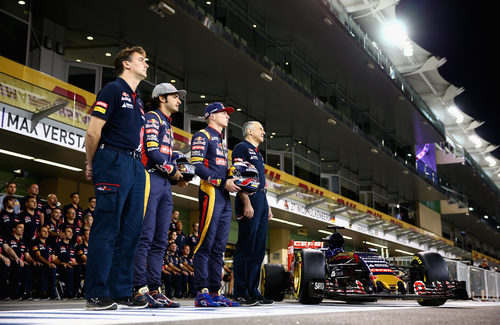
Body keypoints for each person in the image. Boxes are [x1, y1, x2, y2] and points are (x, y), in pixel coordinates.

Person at [84, 46, 149, 310]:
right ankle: (96, 293)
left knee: (131, 232)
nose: (146, 64)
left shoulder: (139, 100)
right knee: (107, 229)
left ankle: (121, 291)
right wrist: (91, 164)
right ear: (126, 64)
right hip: (112, 160)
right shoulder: (112, 90)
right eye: (141, 60)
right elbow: (92, 132)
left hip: (135, 165)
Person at [132, 82, 187, 308]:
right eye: (175, 96)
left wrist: (180, 173)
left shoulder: (168, 123)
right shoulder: (153, 117)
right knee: (146, 236)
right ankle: (138, 288)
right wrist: (173, 170)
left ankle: (155, 288)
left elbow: (165, 155)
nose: (179, 100)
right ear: (161, 98)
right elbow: (152, 151)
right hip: (150, 178)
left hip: (164, 183)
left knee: (161, 240)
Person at [190, 102, 241, 307]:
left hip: (223, 195)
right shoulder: (202, 135)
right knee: (205, 244)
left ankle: (214, 291)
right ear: (211, 116)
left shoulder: (221, 141)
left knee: (219, 247)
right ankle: (202, 292)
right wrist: (221, 181)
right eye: (223, 113)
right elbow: (197, 165)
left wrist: (234, 174)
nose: (227, 116)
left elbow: (221, 169)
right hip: (210, 192)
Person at [232, 121, 273, 305]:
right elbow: (238, 177)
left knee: (258, 250)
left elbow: (261, 182)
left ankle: (253, 290)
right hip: (249, 199)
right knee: (246, 247)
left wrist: (267, 205)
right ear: (249, 131)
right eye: (260, 129)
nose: (264, 132)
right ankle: (240, 291)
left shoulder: (258, 153)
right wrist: (246, 202)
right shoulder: (241, 148)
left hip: (262, 200)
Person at [5, 223, 33, 300]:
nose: (22, 229)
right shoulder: (8, 239)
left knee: (28, 266)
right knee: (18, 266)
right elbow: (7, 251)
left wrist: (33, 262)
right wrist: (17, 259)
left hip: (21, 262)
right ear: (14, 229)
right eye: (20, 227)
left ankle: (26, 292)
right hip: (10, 261)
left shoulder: (23, 242)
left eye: (23, 228)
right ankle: (14, 293)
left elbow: (27, 256)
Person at [31, 226, 57, 299]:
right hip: (37, 264)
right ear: (38, 233)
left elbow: (53, 257)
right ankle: (43, 293)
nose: (46, 233)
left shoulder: (49, 245)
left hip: (47, 264)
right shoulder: (35, 243)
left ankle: (52, 293)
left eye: (47, 231)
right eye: (44, 231)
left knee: (52, 268)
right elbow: (38, 256)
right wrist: (48, 263)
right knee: (43, 268)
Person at [52, 226, 77, 299]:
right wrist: (62, 263)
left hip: (70, 265)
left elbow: (74, 260)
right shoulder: (57, 245)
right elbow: (54, 259)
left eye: (71, 232)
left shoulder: (71, 246)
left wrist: (76, 264)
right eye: (68, 231)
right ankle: (68, 294)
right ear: (63, 233)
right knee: (70, 270)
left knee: (80, 269)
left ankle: (78, 293)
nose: (71, 234)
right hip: (61, 266)